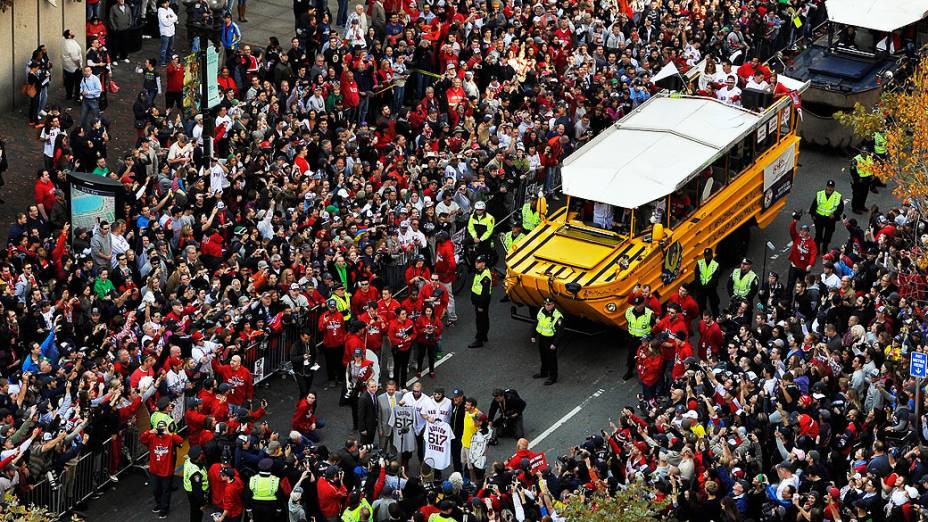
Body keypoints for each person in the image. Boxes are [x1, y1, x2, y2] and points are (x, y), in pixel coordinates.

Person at [140, 420, 184, 519]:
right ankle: (159, 504)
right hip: (155, 470)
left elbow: (180, 440)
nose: (160, 430)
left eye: (162, 428)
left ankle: (164, 509)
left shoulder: (170, 438)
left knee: (166, 491)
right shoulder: (151, 437)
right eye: (159, 428)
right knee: (155, 490)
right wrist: (150, 431)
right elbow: (142, 439)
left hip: (166, 470)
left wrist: (169, 433)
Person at [531, 297, 563, 385]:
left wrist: (554, 344)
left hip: (550, 340)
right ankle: (544, 373)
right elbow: (536, 322)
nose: (546, 306)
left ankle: (553, 377)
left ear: (553, 305)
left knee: (551, 359)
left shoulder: (557, 316)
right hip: (542, 338)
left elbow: (559, 333)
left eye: (548, 304)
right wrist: (533, 335)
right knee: (543, 357)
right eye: (545, 304)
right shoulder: (542, 310)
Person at [623, 295, 655, 380]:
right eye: (635, 305)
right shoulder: (629, 311)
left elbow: (654, 328)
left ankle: (643, 373)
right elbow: (627, 321)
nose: (636, 307)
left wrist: (648, 338)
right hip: (631, 337)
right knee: (631, 355)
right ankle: (629, 371)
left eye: (638, 305)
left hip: (643, 340)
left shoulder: (649, 314)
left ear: (643, 304)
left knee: (643, 356)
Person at [808, 179, 843, 252]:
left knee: (828, 235)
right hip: (819, 218)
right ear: (826, 187)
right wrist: (813, 215)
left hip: (830, 219)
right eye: (828, 186)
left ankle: (824, 248)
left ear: (833, 188)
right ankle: (816, 249)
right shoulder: (820, 194)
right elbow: (814, 205)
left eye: (831, 187)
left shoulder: (838, 196)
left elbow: (840, 208)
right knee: (818, 234)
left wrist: (834, 215)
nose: (829, 188)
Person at [787, 213, 818, 294]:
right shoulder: (797, 237)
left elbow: (813, 254)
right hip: (794, 265)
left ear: (807, 232)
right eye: (801, 230)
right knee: (790, 284)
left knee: (802, 285)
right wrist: (794, 221)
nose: (801, 232)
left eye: (804, 231)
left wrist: (810, 264)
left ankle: (799, 299)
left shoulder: (812, 243)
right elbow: (792, 231)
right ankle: (787, 300)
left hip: (803, 268)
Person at [468, 255, 492, 348]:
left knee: (480, 320)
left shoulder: (485, 276)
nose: (476, 264)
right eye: (476, 262)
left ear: (483, 263)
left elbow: (485, 293)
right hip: (479, 300)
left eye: (478, 263)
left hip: (482, 301)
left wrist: (481, 305)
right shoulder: (480, 271)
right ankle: (484, 335)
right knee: (484, 318)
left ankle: (479, 339)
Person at [183, 446, 209, 522]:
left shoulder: (188, 460)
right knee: (197, 513)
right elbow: (197, 491)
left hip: (190, 491)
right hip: (195, 495)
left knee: (194, 511)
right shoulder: (195, 473)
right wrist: (202, 504)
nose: (202, 454)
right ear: (199, 456)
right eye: (201, 453)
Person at [692, 248, 720, 316]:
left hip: (711, 289)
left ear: (711, 255)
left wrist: (707, 286)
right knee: (701, 306)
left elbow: (715, 278)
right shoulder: (699, 263)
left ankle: (716, 318)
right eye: (706, 255)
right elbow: (697, 276)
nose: (707, 257)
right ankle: (704, 319)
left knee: (714, 305)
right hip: (701, 289)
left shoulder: (715, 265)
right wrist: (701, 286)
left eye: (709, 255)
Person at [290, 329, 317, 397]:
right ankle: (303, 403)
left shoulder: (312, 343)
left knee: (307, 389)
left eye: (308, 338)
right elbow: (292, 358)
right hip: (300, 371)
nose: (307, 340)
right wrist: (302, 357)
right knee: (304, 391)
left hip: (310, 370)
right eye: (305, 339)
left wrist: (315, 362)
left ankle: (304, 403)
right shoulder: (296, 345)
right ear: (301, 336)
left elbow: (315, 353)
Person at [851, 146, 874, 214]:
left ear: (867, 153)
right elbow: (852, 170)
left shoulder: (869, 158)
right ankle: (855, 208)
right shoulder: (856, 159)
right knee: (857, 194)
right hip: (859, 180)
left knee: (865, 193)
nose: (864, 153)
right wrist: (857, 178)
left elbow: (872, 167)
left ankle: (861, 206)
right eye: (862, 152)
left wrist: (872, 175)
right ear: (860, 151)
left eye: (865, 152)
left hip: (867, 179)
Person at [61, 30, 83, 102]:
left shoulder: (65, 41)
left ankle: (69, 95)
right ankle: (77, 96)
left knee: (69, 82)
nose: (74, 33)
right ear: (69, 36)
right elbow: (75, 57)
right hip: (74, 67)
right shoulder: (70, 44)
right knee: (77, 82)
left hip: (67, 66)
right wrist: (79, 66)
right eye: (71, 32)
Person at [357, 379, 379, 445]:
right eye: (372, 387)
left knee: (370, 441)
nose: (374, 388)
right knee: (364, 444)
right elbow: (360, 415)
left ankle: (369, 449)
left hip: (372, 425)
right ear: (367, 387)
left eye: (375, 386)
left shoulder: (374, 394)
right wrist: (362, 429)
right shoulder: (363, 398)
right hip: (366, 427)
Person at [157, 0, 178, 66]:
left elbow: (176, 17)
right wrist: (172, 20)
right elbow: (165, 23)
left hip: (172, 32)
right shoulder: (160, 11)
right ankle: (162, 61)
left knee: (170, 48)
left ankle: (168, 59)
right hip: (165, 33)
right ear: (162, 4)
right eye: (166, 2)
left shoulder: (170, 9)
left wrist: (170, 19)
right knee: (164, 48)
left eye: (167, 2)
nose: (167, 3)